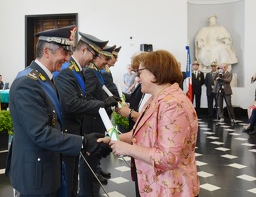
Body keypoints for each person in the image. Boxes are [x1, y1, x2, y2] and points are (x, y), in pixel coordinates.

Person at [5, 26, 111, 197]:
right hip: (35, 172)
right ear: (47, 51)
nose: (68, 58)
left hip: (49, 164)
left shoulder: (45, 78)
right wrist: (83, 142)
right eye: (64, 52)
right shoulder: (28, 82)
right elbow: (40, 133)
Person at [99, 50, 200, 197]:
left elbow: (168, 157)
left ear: (154, 73)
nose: (138, 78)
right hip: (154, 183)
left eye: (140, 73)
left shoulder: (173, 105)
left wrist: (126, 149)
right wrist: (115, 140)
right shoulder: (155, 99)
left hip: (171, 189)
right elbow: (143, 132)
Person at [54, 32, 119, 197]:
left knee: (73, 179)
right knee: (68, 181)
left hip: (77, 132)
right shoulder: (67, 71)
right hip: (68, 132)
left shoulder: (79, 70)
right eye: (94, 54)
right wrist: (102, 103)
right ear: (84, 49)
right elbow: (71, 104)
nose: (95, 59)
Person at [82, 45, 115, 191]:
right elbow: (88, 97)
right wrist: (104, 103)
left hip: (100, 117)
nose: (107, 62)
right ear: (97, 57)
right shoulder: (90, 72)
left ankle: (94, 176)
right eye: (105, 58)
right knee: (90, 155)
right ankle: (87, 189)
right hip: (93, 119)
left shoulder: (97, 72)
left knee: (96, 152)